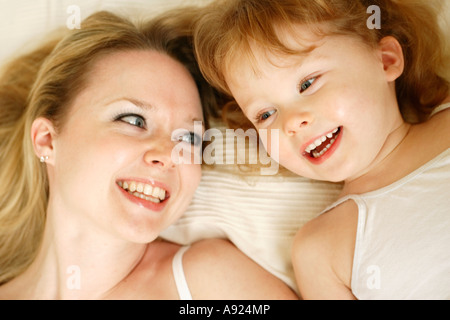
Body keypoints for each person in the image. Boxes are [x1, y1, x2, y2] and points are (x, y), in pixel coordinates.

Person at [0, 8, 298, 300]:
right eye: (133, 120)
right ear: (47, 141)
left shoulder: (207, 286)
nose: (169, 154)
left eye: (188, 138)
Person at [193, 0, 450, 299]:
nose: (291, 122)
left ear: (386, 60)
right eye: (265, 115)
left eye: (308, 83)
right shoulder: (319, 250)